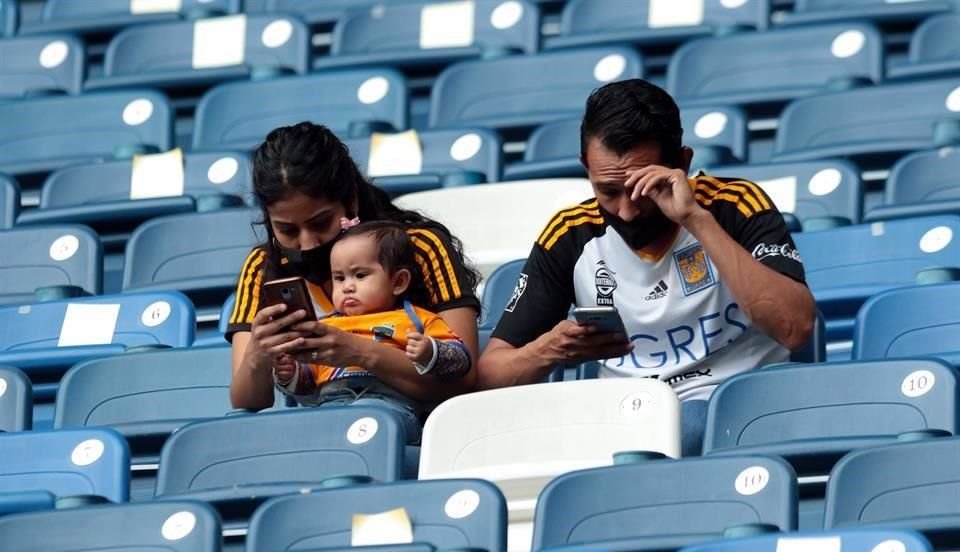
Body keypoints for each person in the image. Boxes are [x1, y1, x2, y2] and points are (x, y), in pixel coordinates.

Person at [477, 79, 816, 455]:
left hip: (738, 407)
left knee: (688, 428)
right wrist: (548, 350)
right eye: (607, 190)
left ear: (682, 164)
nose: (626, 210)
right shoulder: (569, 235)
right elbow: (491, 374)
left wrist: (695, 220)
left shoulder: (734, 205)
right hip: (623, 420)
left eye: (643, 189)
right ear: (585, 168)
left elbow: (795, 329)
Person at [227, 122, 481, 412]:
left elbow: (464, 381)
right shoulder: (262, 267)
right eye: (287, 230)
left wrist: (358, 351)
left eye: (320, 222)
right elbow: (246, 402)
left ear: (351, 201)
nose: (308, 244)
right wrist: (257, 357)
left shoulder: (420, 247)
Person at [272, 221, 471, 433]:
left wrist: (431, 351)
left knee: (361, 420)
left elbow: (460, 360)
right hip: (331, 406)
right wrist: (290, 373)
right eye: (339, 278)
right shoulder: (325, 327)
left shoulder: (417, 319)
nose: (347, 287)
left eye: (360, 275)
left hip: (391, 408)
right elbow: (308, 385)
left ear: (398, 282)